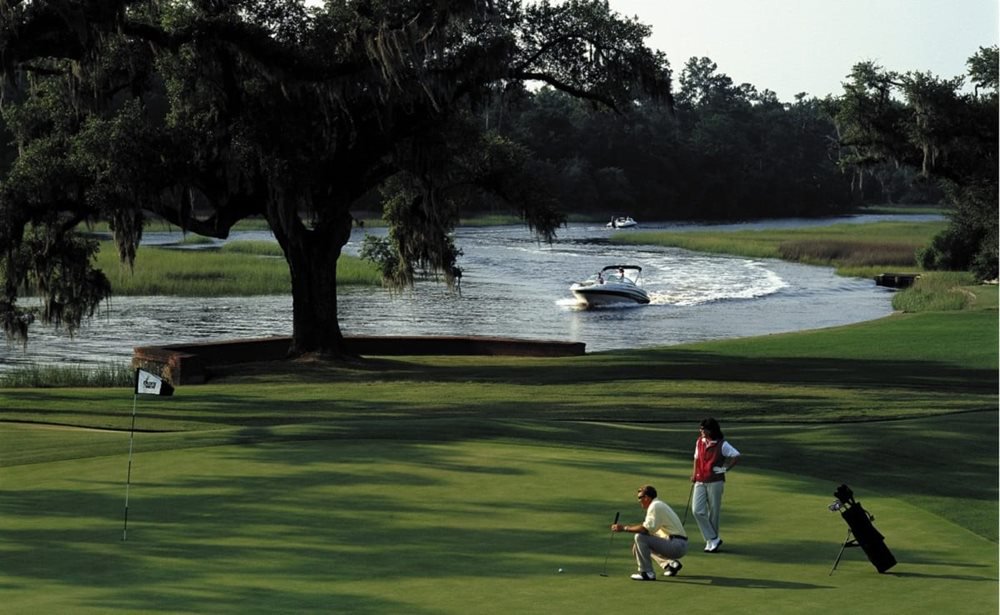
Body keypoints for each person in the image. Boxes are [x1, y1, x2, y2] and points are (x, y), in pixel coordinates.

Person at [611, 485, 688, 581]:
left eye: (640, 498)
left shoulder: (655, 506)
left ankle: (647, 573)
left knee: (640, 537)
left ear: (647, 498)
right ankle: (670, 564)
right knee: (637, 547)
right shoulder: (658, 504)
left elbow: (645, 529)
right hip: (677, 543)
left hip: (676, 545)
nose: (639, 500)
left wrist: (623, 528)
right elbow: (651, 530)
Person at [691, 417, 741, 553]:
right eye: (701, 428)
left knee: (714, 512)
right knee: (697, 510)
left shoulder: (722, 444)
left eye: (703, 429)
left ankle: (710, 542)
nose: (700, 431)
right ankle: (713, 538)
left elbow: (736, 455)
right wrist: (694, 474)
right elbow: (696, 458)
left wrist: (724, 469)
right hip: (700, 480)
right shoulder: (699, 442)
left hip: (715, 481)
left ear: (710, 430)